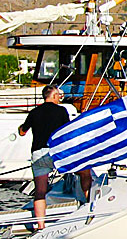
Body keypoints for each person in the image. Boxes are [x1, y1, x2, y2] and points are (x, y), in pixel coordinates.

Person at [18, 85, 91, 230]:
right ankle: (89, 207)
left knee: (40, 191)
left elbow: (22, 132)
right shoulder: (61, 111)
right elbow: (68, 132)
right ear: (52, 96)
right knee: (85, 172)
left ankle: (41, 226)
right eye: (58, 95)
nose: (60, 97)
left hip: (38, 154)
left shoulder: (34, 112)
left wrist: (22, 128)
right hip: (56, 152)